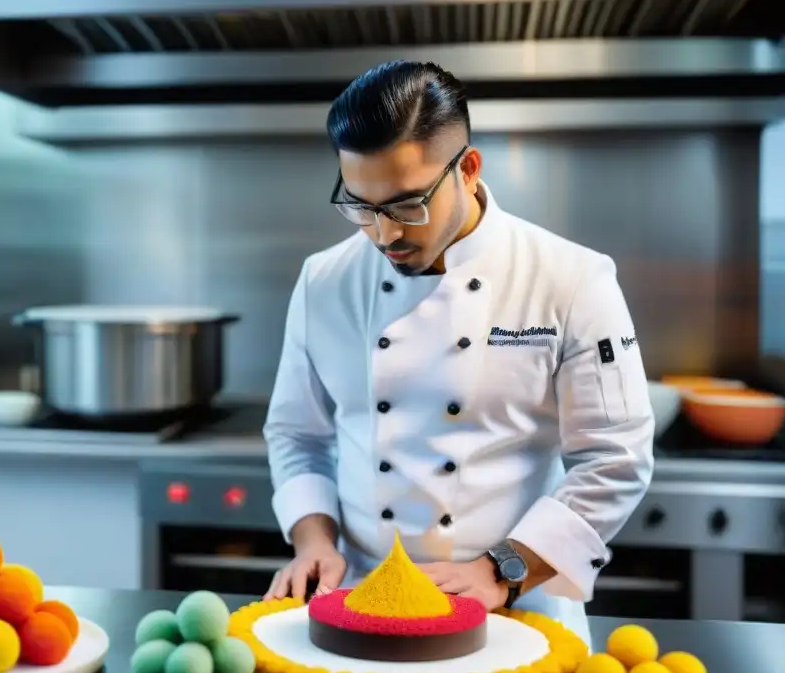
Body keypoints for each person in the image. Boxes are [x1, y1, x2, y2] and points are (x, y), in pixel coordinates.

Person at [261, 60, 655, 640]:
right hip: (360, 606)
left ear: (468, 170)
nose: (384, 234)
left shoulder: (571, 279)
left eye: (405, 206)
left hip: (517, 611)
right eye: (361, 205)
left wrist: (502, 570)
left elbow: (616, 458)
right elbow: (298, 435)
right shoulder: (324, 280)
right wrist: (313, 541)